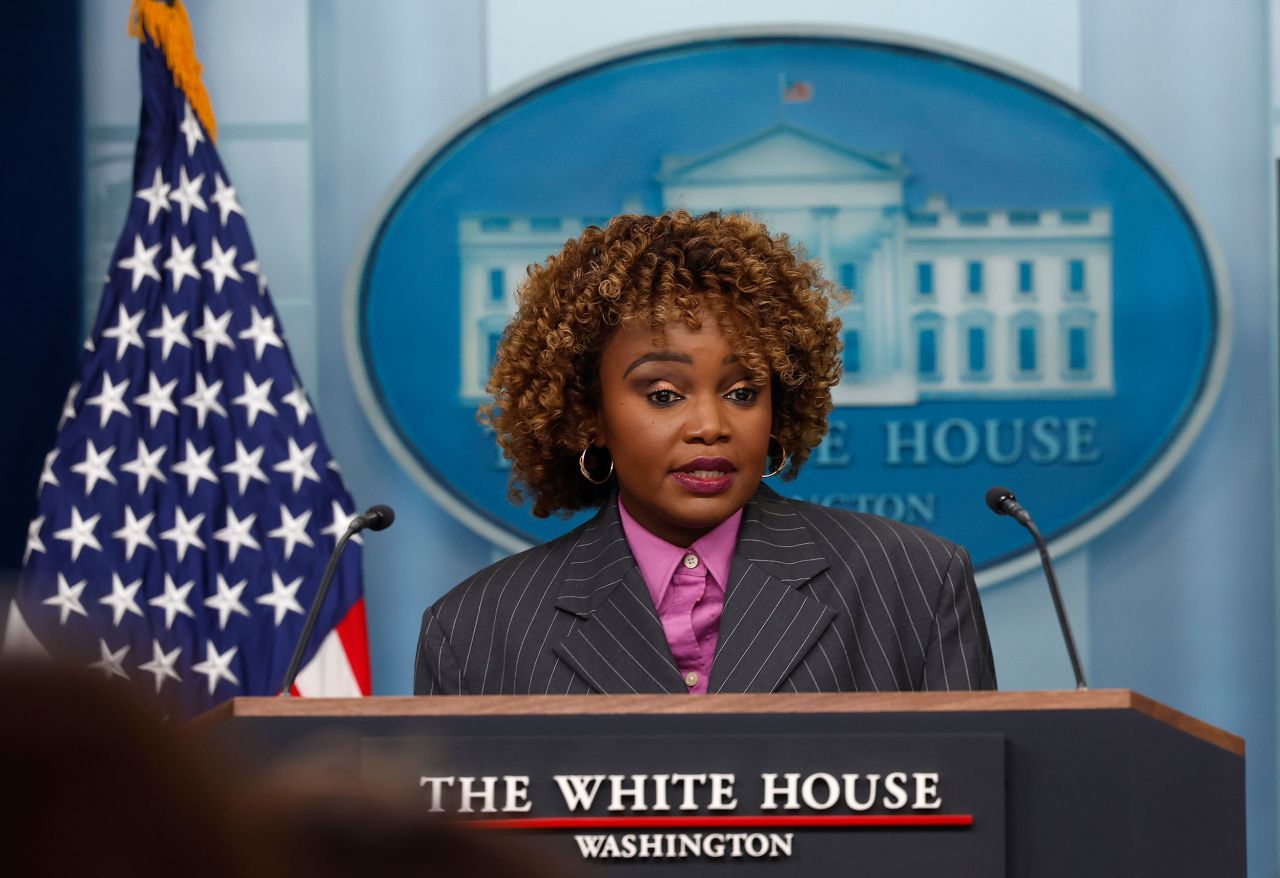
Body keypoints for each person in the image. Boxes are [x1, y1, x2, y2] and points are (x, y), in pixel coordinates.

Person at [414, 210, 996, 696]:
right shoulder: (477, 629)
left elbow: (974, 820)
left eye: (743, 392)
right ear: (588, 413)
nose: (712, 426)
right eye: (664, 394)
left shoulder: (914, 582)